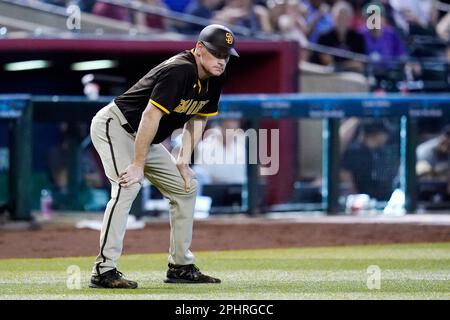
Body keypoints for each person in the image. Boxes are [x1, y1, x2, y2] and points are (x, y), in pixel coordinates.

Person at [89, 24, 239, 289]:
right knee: (128, 185)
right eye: (217, 54)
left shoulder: (216, 77)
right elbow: (150, 115)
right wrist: (138, 164)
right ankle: (104, 270)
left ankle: (180, 266)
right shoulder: (179, 69)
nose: (222, 61)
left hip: (146, 137)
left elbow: (199, 117)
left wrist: (182, 161)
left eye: (226, 56)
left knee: (185, 188)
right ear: (200, 49)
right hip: (115, 126)